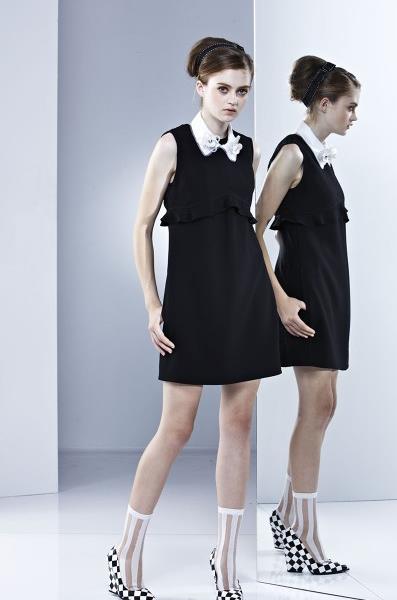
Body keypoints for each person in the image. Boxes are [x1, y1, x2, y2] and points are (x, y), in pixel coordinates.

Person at [107, 36, 281, 600]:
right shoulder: (172, 146)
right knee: (176, 429)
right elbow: (141, 227)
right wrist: (153, 305)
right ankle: (126, 551)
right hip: (190, 303)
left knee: (239, 427)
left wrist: (275, 296)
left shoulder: (251, 151)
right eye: (223, 89)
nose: (233, 100)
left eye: (243, 91)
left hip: (246, 300)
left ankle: (225, 560)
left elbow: (251, 233)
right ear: (200, 87)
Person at [254, 56, 361, 575]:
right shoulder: (292, 154)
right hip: (304, 295)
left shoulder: (321, 156)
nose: (354, 116)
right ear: (324, 103)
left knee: (326, 404)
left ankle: (285, 515)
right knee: (315, 406)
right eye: (350, 106)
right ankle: (304, 535)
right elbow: (254, 229)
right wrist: (279, 298)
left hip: (331, 291)